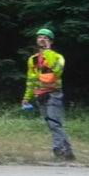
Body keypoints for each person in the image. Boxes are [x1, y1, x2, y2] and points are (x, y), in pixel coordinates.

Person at [22, 27, 74, 161]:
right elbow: (30, 79)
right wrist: (27, 97)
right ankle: (68, 152)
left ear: (50, 41)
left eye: (45, 38)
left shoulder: (57, 57)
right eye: (40, 37)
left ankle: (59, 151)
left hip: (54, 93)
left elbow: (57, 71)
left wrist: (47, 51)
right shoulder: (32, 59)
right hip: (40, 94)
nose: (42, 39)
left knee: (54, 122)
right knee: (52, 123)